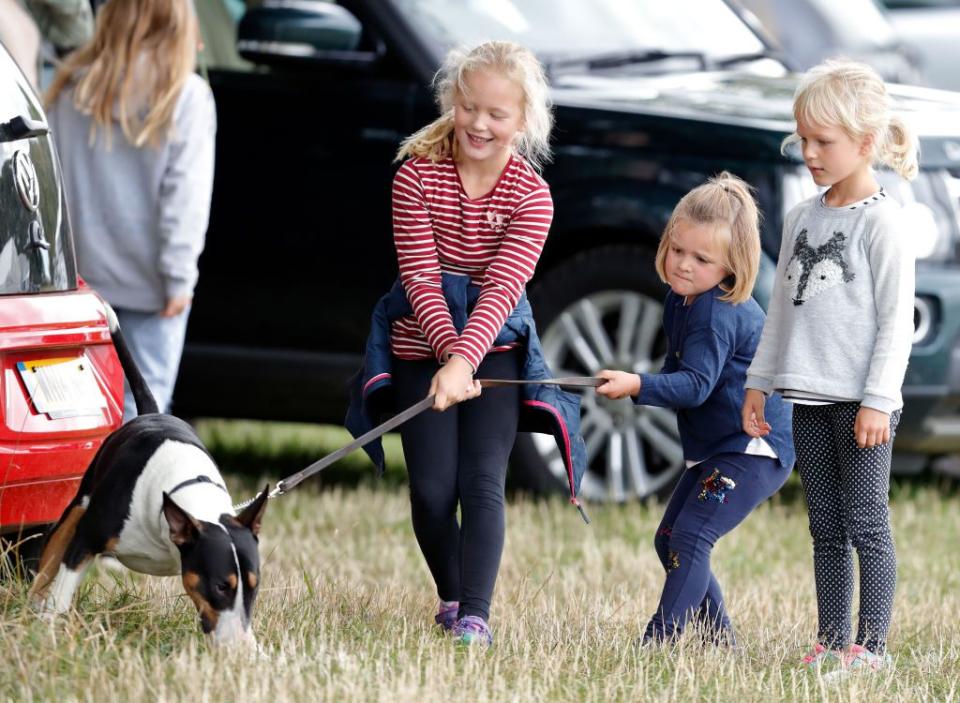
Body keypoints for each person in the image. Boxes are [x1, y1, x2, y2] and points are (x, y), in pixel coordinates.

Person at [345, 41, 587, 648]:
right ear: (453, 101)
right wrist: (449, 357)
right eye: (469, 107)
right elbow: (420, 277)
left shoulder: (532, 197)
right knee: (430, 489)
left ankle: (475, 617)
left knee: (482, 480)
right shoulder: (416, 175)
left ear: (523, 121)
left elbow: (504, 288)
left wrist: (467, 359)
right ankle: (451, 597)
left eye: (497, 114)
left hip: (496, 346)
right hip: (417, 343)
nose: (480, 124)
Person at [741, 59, 917, 672]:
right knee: (825, 525)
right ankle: (831, 639)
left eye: (824, 141)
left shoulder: (884, 223)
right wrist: (760, 382)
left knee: (867, 521)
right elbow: (781, 314)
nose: (809, 152)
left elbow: (897, 323)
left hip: (863, 404)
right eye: (804, 139)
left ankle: (871, 648)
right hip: (808, 400)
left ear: (865, 144)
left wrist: (877, 400)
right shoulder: (800, 218)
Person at [595, 173, 795, 646]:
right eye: (677, 249)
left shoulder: (715, 311)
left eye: (702, 259)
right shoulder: (681, 299)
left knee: (691, 538)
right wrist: (645, 384)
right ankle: (720, 640)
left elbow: (696, 386)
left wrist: (638, 385)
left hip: (752, 446)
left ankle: (657, 643)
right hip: (719, 445)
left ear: (730, 266)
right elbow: (677, 369)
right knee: (670, 539)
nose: (684, 265)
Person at [46, 0, 216, 420]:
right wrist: (179, 278)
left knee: (78, 409)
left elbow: (55, 182)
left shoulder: (70, 86)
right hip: (153, 288)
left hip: (81, 284)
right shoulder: (186, 96)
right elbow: (184, 198)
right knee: (144, 410)